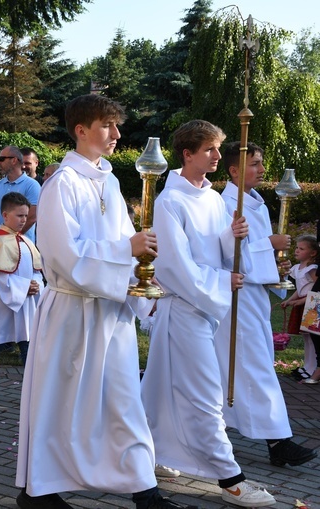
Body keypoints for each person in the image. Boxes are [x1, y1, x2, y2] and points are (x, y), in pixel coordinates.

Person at [16, 94, 189, 509]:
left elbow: (125, 241)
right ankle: (38, 491)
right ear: (81, 130)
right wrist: (124, 249)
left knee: (124, 397)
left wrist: (142, 261)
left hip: (111, 310)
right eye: (107, 125)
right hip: (73, 311)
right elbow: (62, 253)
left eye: (115, 125)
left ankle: (144, 491)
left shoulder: (109, 181)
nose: (116, 134)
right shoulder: (61, 184)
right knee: (61, 402)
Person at [142, 119, 275, 507]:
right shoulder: (170, 202)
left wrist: (232, 235)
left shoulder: (215, 199)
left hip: (207, 309)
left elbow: (216, 250)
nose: (219, 156)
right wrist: (221, 283)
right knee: (205, 393)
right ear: (188, 154)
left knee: (158, 389)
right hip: (184, 307)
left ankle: (147, 450)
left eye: (218, 149)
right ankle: (230, 478)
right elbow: (173, 266)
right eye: (210, 150)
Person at [212, 141, 317, 466]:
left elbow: (254, 254)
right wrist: (268, 245)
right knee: (255, 368)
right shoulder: (225, 203)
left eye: (261, 163)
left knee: (242, 368)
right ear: (234, 169)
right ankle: (278, 441)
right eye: (255, 164)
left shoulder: (256, 202)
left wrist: (276, 264)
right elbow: (228, 254)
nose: (261, 170)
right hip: (238, 298)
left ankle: (223, 430)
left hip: (253, 298)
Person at [0, 192, 42, 404]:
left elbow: (36, 269)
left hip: (24, 303)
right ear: (5, 215)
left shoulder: (26, 242)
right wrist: (23, 287)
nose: (23, 220)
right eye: (19, 215)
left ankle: (34, 388)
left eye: (26, 215)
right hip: (0, 304)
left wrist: (35, 284)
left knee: (27, 343)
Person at [0, 146, 40, 243]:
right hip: (0, 245)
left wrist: (12, 239)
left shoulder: (32, 185)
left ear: (14, 160)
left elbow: (33, 216)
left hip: (22, 247)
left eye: (1, 159)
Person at [283, 234, 319, 381]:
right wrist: (289, 300)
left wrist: (303, 300)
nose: (297, 251)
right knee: (305, 337)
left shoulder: (312, 269)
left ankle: (312, 368)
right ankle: (307, 366)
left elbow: (316, 289)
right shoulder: (297, 268)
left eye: (301, 249)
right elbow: (300, 288)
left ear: (313, 253)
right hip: (303, 303)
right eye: (296, 248)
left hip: (312, 305)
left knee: (312, 338)